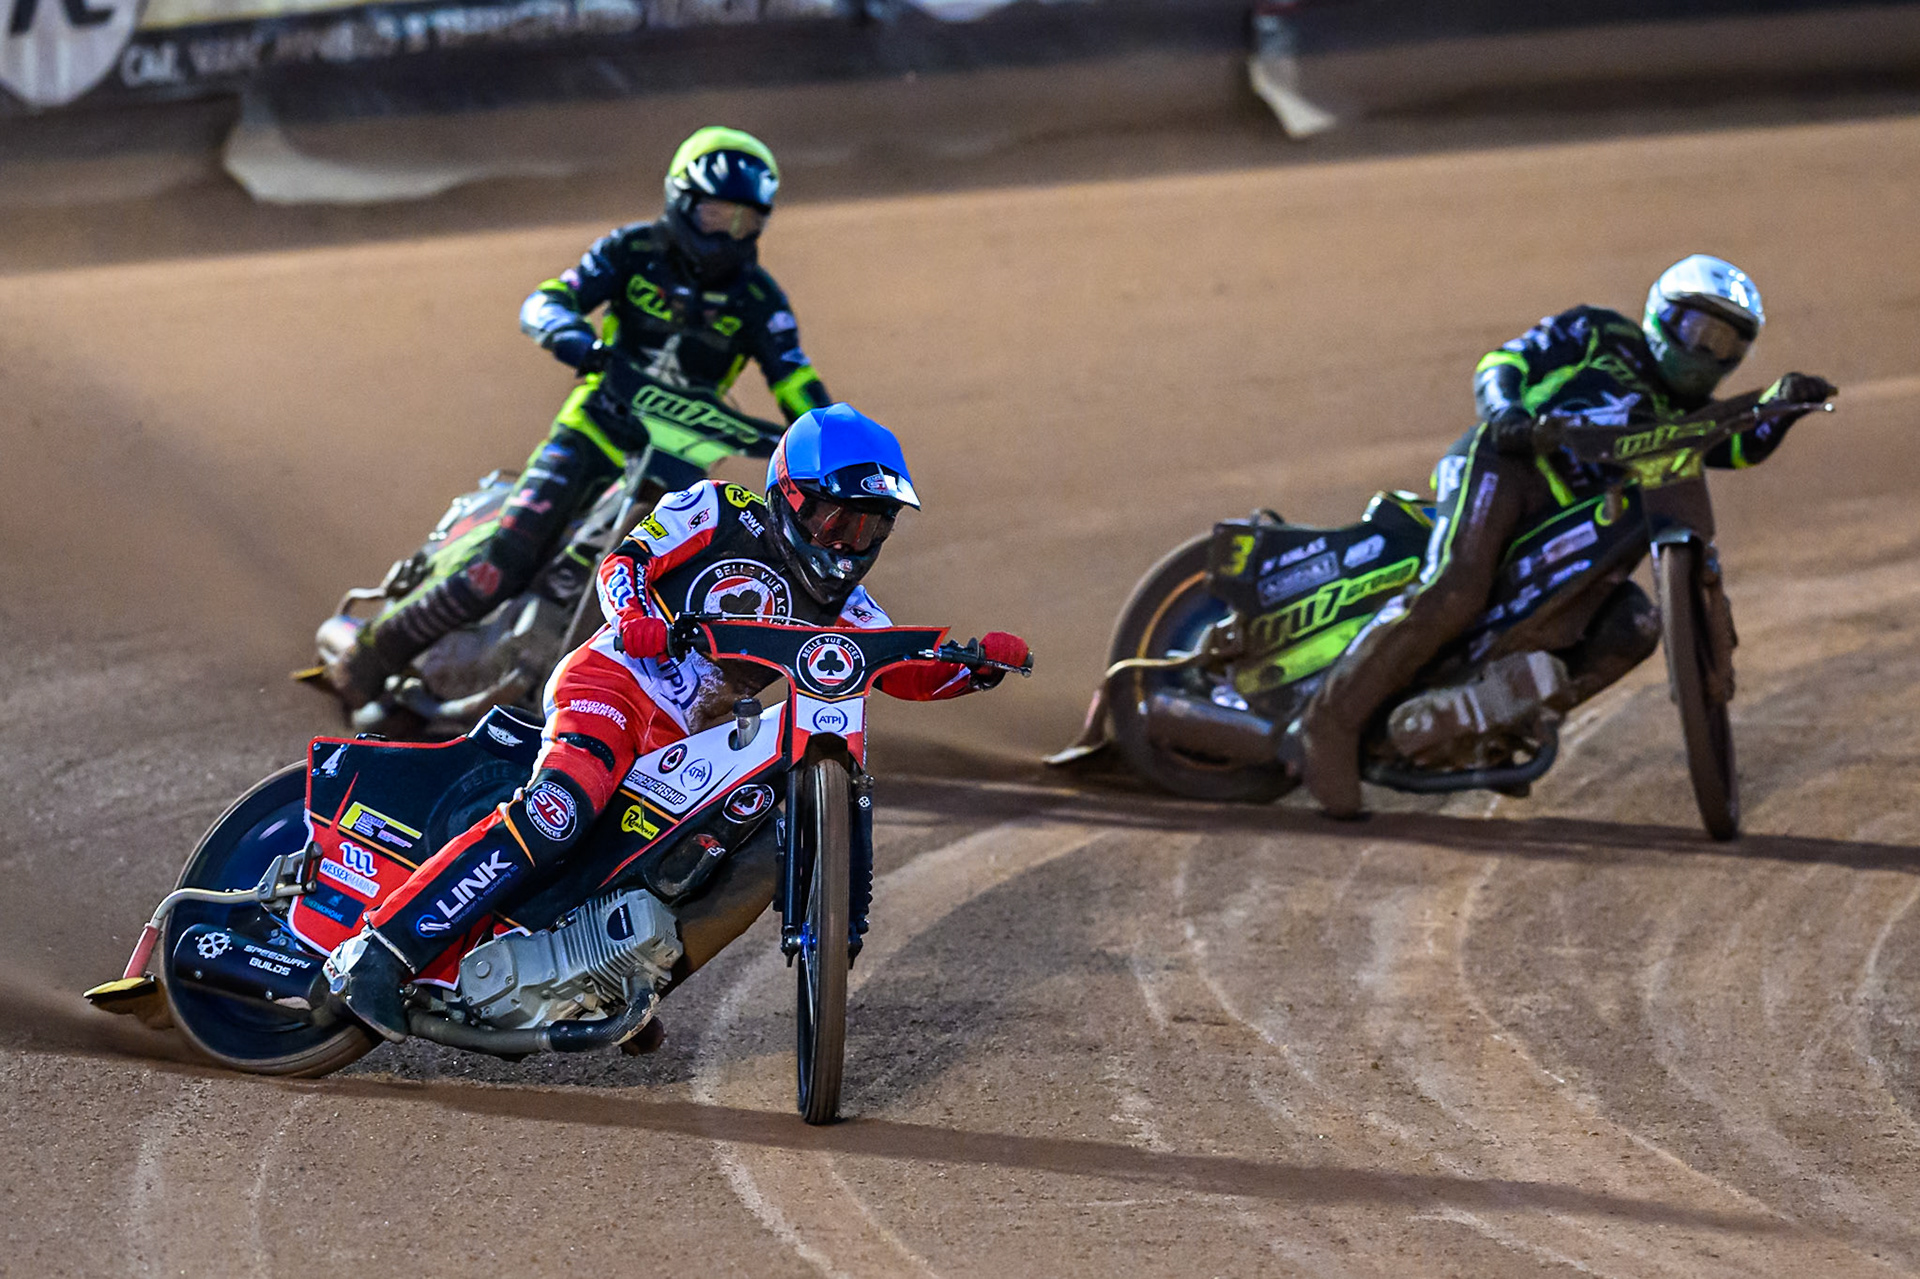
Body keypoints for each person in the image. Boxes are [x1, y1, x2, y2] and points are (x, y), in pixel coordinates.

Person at [321, 404, 1032, 1041]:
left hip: (685, 748)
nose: (847, 544)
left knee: (738, 852)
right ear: (790, 496)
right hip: (616, 686)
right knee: (559, 812)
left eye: (870, 526)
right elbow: (629, 559)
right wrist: (636, 619)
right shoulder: (719, 509)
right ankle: (381, 951)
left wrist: (973, 667)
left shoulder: (848, 608)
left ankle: (607, 986)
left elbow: (896, 667)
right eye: (836, 520)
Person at [1293, 254, 1835, 817]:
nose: (1705, 353)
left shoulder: (1689, 417)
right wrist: (1505, 412)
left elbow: (1738, 447)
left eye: (1724, 345)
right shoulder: (1600, 332)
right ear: (1659, 316)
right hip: (1511, 468)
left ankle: (1499, 721)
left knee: (1634, 627)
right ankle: (1326, 725)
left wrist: (1782, 407)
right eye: (1696, 331)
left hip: (1579, 525)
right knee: (1456, 588)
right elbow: (1504, 361)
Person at [329, 126, 835, 709]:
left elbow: (792, 376)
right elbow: (548, 299)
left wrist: (824, 436)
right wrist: (574, 338)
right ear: (682, 200)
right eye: (718, 215)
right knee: (503, 564)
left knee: (685, 590)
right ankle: (369, 657)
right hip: (593, 427)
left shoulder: (760, 300)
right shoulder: (630, 251)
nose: (729, 234)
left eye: (745, 222)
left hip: (680, 458)